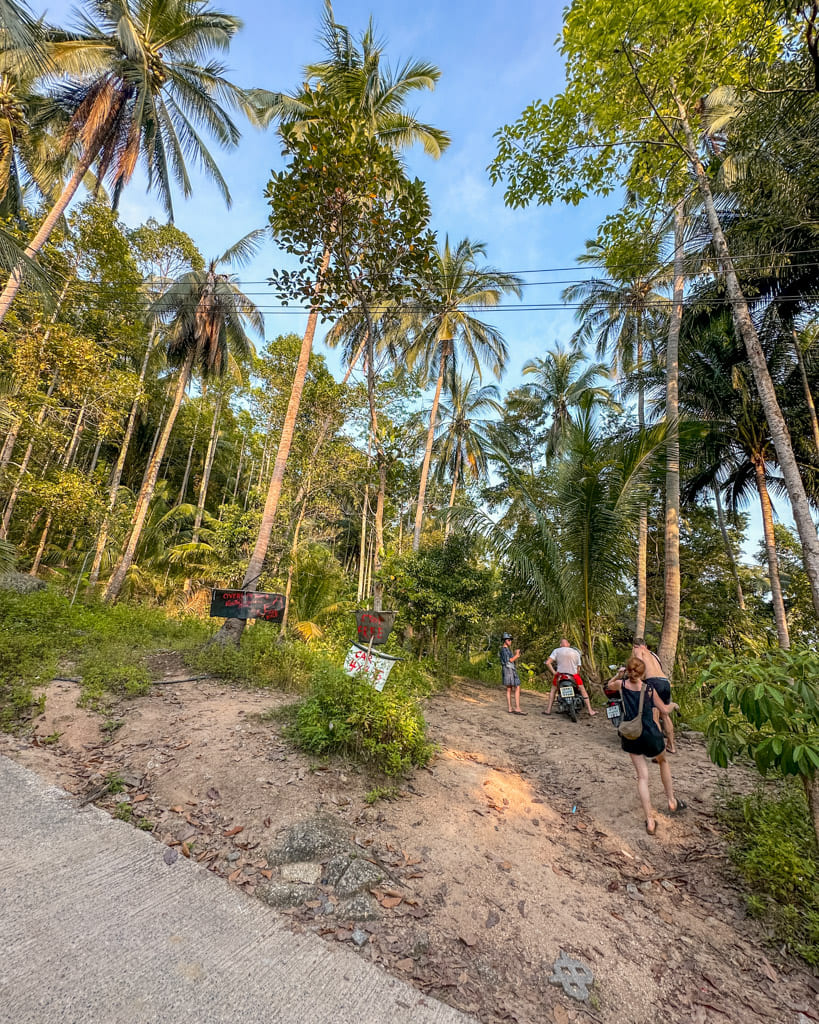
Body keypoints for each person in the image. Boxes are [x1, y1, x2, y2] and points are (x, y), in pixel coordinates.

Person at [607, 657, 686, 835]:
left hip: (631, 734)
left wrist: (618, 675)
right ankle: (672, 801)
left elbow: (608, 685)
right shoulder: (649, 689)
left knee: (642, 777)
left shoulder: (621, 684)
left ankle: (650, 821)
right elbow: (664, 711)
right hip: (650, 733)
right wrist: (673, 705)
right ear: (643, 673)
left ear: (628, 671)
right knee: (663, 762)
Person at [632, 637, 676, 753]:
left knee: (654, 716)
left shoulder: (638, 650)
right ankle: (671, 746)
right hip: (664, 682)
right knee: (665, 714)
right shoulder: (654, 655)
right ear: (645, 645)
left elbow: (639, 666)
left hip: (653, 682)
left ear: (635, 646)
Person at [544, 638, 596, 716]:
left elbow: (547, 662)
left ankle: (548, 710)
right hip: (573, 676)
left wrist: (554, 672)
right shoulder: (576, 652)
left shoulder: (557, 650)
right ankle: (590, 710)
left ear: (561, 645)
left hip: (560, 675)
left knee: (553, 690)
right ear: (568, 644)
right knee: (582, 690)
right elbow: (578, 668)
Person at [500, 633, 526, 714]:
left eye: (510, 640)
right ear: (505, 641)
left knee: (509, 689)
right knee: (516, 687)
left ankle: (511, 708)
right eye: (509, 640)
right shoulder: (504, 650)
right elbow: (510, 660)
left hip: (509, 669)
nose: (510, 641)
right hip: (509, 670)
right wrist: (517, 655)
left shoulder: (506, 649)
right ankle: (516, 707)